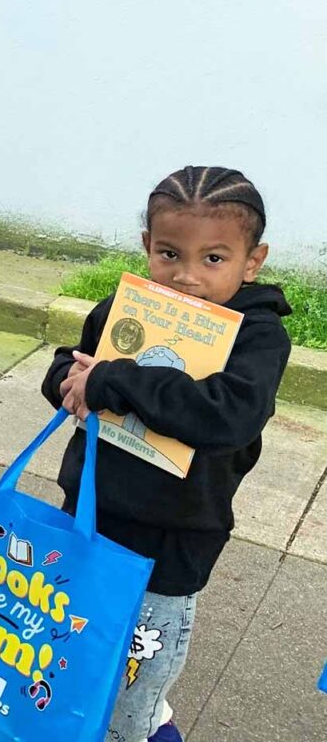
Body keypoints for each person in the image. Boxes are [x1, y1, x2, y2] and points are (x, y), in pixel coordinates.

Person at [41, 166, 291, 742]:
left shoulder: (257, 335)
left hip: (173, 539)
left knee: (136, 687)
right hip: (89, 514)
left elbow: (226, 414)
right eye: (170, 253)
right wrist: (71, 381)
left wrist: (112, 382)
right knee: (67, 651)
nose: (186, 277)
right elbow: (70, 364)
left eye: (214, 258)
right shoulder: (126, 310)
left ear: (252, 261)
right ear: (147, 247)